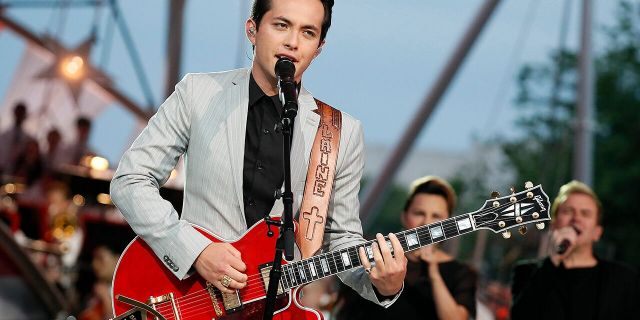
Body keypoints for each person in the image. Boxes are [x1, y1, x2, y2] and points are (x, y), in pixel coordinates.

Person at [110, 0, 406, 310]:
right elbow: (130, 180)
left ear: (318, 48)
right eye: (281, 25)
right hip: (189, 299)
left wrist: (383, 283)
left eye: (307, 32)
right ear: (252, 30)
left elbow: (343, 240)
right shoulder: (198, 93)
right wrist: (196, 251)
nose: (292, 41)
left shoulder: (339, 132)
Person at [335, 176, 477, 320]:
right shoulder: (376, 256)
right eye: (419, 213)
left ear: (447, 223)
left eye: (436, 216)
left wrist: (433, 271)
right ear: (404, 216)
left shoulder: (461, 273)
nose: (426, 223)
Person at [511, 180, 640, 319]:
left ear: (597, 232)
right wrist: (554, 259)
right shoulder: (528, 272)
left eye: (585, 214)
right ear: (553, 226)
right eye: (568, 211)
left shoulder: (623, 279)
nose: (576, 218)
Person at [0, 102, 34, 176]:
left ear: (25, 115)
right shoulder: (4, 135)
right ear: (14, 113)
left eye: (22, 113)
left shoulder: (28, 138)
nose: (20, 115)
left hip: (17, 173)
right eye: (18, 112)